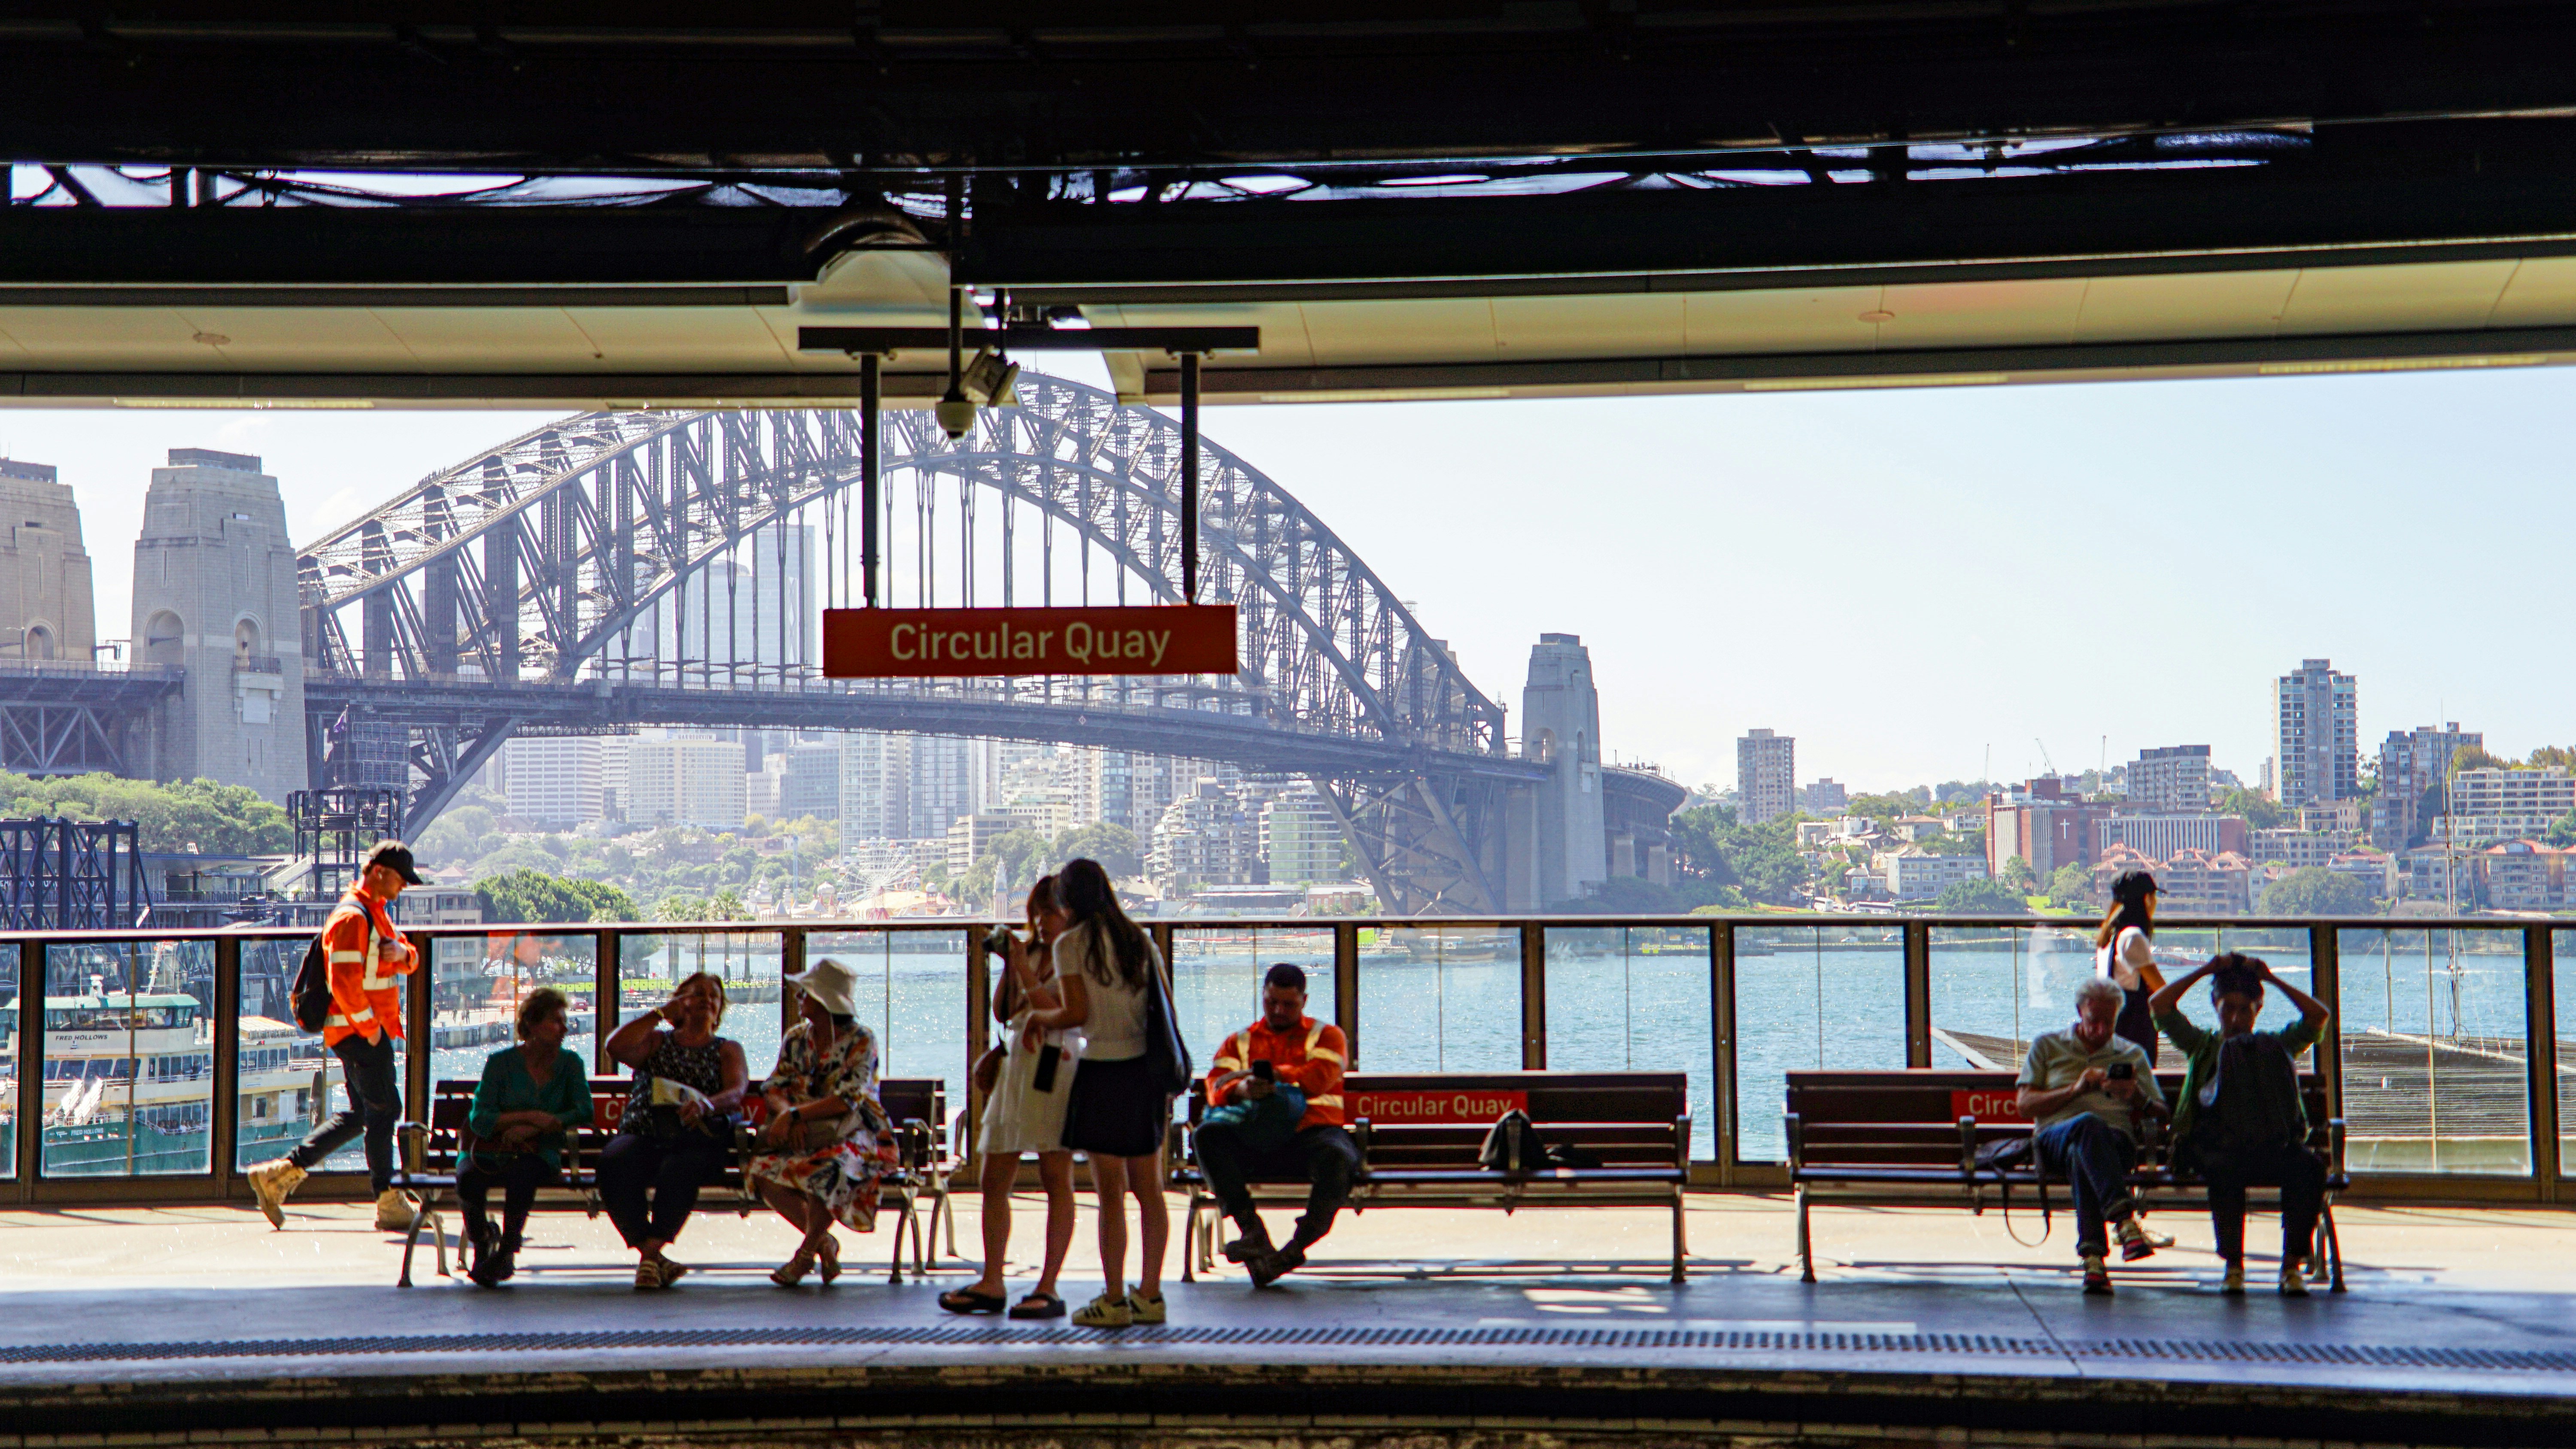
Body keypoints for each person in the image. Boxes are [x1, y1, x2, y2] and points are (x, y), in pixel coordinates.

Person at [247, 840, 427, 1233]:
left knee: (364, 1113)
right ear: (379, 873)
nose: (404, 888)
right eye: (400, 879)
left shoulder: (374, 914)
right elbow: (344, 984)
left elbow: (407, 956)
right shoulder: (353, 919)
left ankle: (279, 1175)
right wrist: (373, 1033)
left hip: (359, 1033)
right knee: (384, 1112)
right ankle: (388, 1199)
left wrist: (405, 956)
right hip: (361, 1034)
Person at [1025, 857, 1174, 1328]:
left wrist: (1037, 1017)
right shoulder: (1140, 939)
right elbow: (1164, 1005)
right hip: (1144, 1074)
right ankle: (1150, 1295)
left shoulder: (1071, 944)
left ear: (1069, 901)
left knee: (1112, 1193)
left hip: (1102, 1074)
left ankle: (1113, 1299)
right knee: (1150, 1190)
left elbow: (1076, 1013)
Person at [2150, 952, 2332, 1296]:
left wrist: (2273, 979)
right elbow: (2159, 1006)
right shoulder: (2203, 1046)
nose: (2235, 1018)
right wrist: (2205, 970)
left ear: (2257, 1010)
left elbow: (2317, 1017)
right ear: (2215, 1007)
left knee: (2309, 1168)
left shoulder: (2276, 1047)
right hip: (2216, 1147)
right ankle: (2233, 1265)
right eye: (2227, 1009)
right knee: (2224, 1168)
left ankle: (2291, 1265)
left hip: (2269, 1147)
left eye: (2244, 1009)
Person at [942, 876, 1082, 1319]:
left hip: (1055, 1063)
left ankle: (1049, 1283)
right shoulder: (1035, 952)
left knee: (1055, 1173)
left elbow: (1053, 1007)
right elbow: (1005, 1011)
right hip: (1018, 1061)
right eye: (1037, 911)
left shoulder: (1077, 956)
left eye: (1051, 911)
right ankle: (993, 1278)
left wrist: (1022, 965)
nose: (1041, 921)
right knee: (993, 1172)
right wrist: (1012, 962)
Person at [1197, 962, 1355, 1287]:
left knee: (1338, 1158)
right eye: (1271, 1002)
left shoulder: (1328, 1036)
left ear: (1305, 1001)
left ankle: (1294, 1249)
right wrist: (1240, 1089)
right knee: (1207, 1137)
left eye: (1289, 1004)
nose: (1279, 1010)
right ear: (1263, 996)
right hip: (1257, 1137)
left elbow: (1319, 1079)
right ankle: (1251, 1231)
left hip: (1311, 1135)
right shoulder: (1239, 1041)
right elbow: (1214, 1086)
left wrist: (1278, 1076)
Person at [747, 956, 900, 1287]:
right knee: (761, 1172)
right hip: (805, 1132)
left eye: (807, 992)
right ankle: (823, 1243)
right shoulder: (797, 1039)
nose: (800, 997)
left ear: (823, 1001)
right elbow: (775, 1086)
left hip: (857, 1133)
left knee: (828, 1168)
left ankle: (805, 1255)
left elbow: (849, 1099)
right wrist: (789, 1114)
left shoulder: (862, 1040)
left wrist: (796, 1114)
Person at [2017, 976, 2168, 1294]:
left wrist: (2137, 1096)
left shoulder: (2132, 1054)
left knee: (2082, 1153)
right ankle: (2123, 1221)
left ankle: (2094, 1261)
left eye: (2108, 1023)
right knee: (2087, 1125)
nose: (2100, 1031)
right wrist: (2076, 1089)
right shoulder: (2048, 1045)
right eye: (2093, 1021)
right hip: (2054, 1139)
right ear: (2078, 1012)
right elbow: (2025, 1105)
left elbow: (2162, 1112)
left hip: (2116, 1144)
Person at [598, 970, 748, 1290]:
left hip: (694, 1137)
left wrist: (708, 1104)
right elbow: (615, 1048)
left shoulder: (726, 1049)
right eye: (697, 994)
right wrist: (659, 1015)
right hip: (644, 1131)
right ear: (681, 1001)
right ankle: (652, 1256)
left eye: (714, 996)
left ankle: (649, 1257)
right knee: (614, 1161)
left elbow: (737, 1092)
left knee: (682, 1168)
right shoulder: (655, 1041)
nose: (707, 1000)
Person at [459, 985, 594, 1287]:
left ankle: (507, 1249)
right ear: (532, 1025)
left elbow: (585, 1111)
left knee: (524, 1173)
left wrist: (539, 1128)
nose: (564, 1028)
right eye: (556, 1021)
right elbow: (480, 1118)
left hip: (539, 1150)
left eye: (564, 1020)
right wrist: (527, 1118)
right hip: (489, 1150)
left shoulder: (571, 1065)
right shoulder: (500, 1063)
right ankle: (482, 1243)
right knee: (469, 1179)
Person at [2095, 868, 2169, 1064]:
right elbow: (2162, 990)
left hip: (2112, 1029)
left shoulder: (2109, 935)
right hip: (2133, 1034)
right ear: (2147, 899)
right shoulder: (2133, 937)